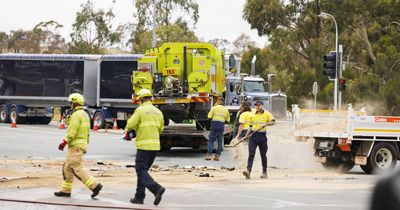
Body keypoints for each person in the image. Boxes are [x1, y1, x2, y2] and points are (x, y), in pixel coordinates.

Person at [54, 93, 103, 198]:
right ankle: (65, 190)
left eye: (71, 102)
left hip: (75, 146)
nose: (70, 104)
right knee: (67, 168)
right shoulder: (85, 114)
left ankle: (95, 186)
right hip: (80, 145)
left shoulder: (76, 115)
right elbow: (88, 132)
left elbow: (72, 131)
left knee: (76, 168)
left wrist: (64, 142)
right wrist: (85, 144)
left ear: (75, 103)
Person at [123, 88, 165, 206]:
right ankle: (139, 197)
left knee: (140, 170)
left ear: (141, 99)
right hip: (155, 146)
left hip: (144, 146)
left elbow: (130, 124)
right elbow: (161, 128)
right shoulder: (158, 112)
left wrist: (127, 132)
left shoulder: (140, 110)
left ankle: (156, 189)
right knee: (143, 171)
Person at [242, 101, 275, 179]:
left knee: (263, 155)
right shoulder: (252, 114)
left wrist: (266, 124)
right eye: (256, 106)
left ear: (262, 106)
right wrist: (246, 136)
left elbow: (274, 122)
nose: (257, 107)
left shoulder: (267, 114)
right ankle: (248, 172)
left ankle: (264, 172)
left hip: (262, 136)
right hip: (253, 136)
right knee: (251, 154)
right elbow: (250, 127)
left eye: (259, 105)